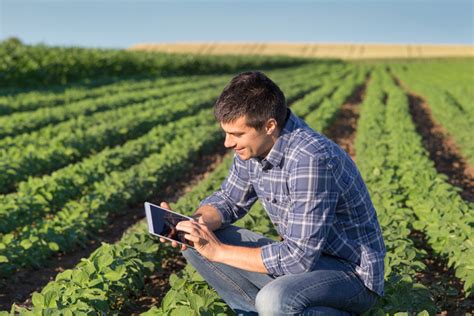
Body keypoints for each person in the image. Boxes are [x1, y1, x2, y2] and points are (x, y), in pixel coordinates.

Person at [159, 71, 386, 315]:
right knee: (196, 240)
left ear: (269, 126)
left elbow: (298, 259)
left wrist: (220, 251)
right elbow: (229, 200)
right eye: (226, 133)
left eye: (236, 134)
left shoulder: (310, 159)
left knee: (274, 298)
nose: (227, 143)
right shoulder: (254, 147)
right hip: (307, 264)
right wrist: (192, 224)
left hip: (351, 275)